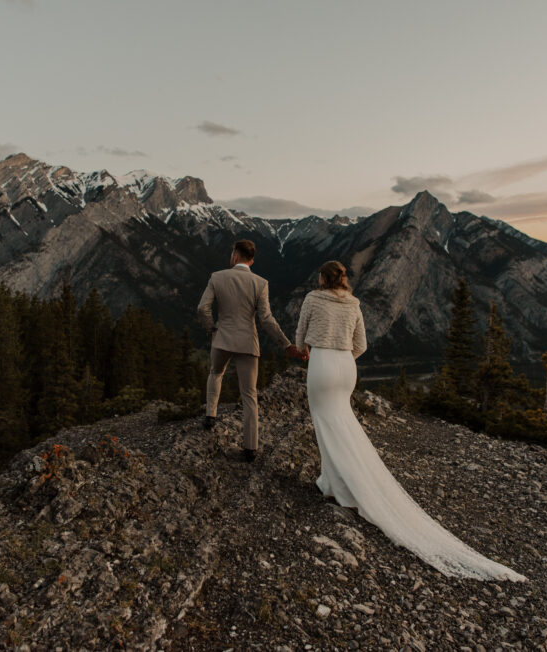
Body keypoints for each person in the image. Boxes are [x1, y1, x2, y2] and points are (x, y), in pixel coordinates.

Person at [295, 260, 525, 581]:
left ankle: (335, 485)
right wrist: (343, 357)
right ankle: (337, 482)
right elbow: (361, 345)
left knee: (326, 422)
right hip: (346, 367)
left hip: (321, 364)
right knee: (344, 422)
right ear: (343, 280)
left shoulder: (312, 300)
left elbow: (300, 336)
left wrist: (311, 351)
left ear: (322, 279)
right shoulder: (354, 304)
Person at [197, 239, 306, 462]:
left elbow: (202, 308)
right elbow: (266, 319)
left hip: (222, 339)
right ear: (252, 260)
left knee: (215, 373)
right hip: (248, 343)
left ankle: (210, 415)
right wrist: (286, 344)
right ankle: (250, 448)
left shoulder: (217, 277)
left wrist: (212, 329)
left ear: (235, 255)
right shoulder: (260, 283)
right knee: (249, 394)